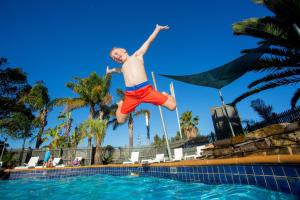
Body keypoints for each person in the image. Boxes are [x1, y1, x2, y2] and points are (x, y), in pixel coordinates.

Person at [106, 24, 176, 124]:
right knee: (120, 120)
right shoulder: (122, 68)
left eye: (116, 53)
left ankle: (165, 94)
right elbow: (114, 70)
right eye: (114, 58)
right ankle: (121, 105)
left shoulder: (138, 55)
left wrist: (157, 29)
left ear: (123, 50)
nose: (116, 57)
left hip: (146, 91)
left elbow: (149, 41)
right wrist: (109, 71)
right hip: (131, 95)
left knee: (173, 106)